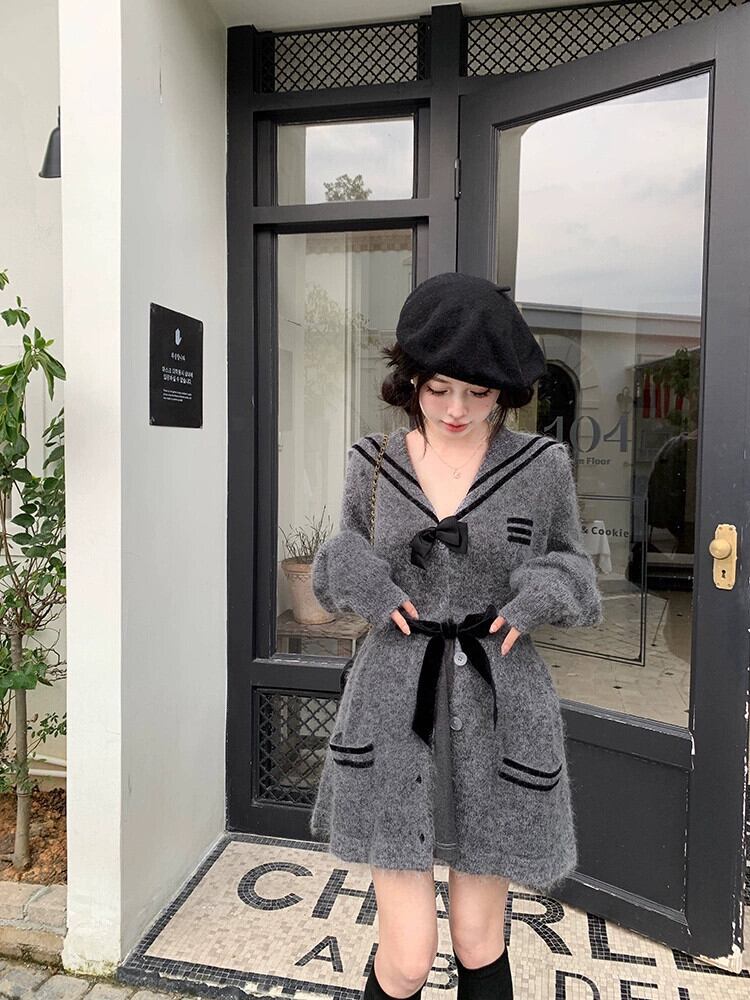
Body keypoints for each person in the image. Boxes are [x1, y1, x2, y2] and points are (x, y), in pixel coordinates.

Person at [309, 272, 604, 1000]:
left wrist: (540, 593)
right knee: (409, 957)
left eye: (478, 393)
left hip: (499, 700)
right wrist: (368, 584)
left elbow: (576, 568)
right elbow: (339, 557)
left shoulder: (541, 467)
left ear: (506, 392)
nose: (455, 409)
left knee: (478, 940)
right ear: (411, 379)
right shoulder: (372, 462)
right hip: (392, 698)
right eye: (438, 389)